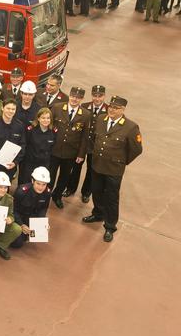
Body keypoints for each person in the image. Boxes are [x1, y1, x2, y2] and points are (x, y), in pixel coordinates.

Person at [82, 96, 143, 242]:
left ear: (122, 110)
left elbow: (136, 149)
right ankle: (98, 214)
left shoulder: (130, 127)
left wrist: (121, 161)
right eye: (111, 106)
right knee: (96, 191)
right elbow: (93, 139)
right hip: (97, 165)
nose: (112, 110)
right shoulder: (101, 119)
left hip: (114, 169)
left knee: (111, 197)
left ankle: (110, 226)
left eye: (116, 108)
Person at [49, 87, 91, 209]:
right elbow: (50, 126)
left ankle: (57, 196)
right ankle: (46, 194)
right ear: (70, 96)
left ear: (82, 99)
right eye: (73, 96)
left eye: (78, 97)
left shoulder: (85, 114)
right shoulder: (57, 107)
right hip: (54, 149)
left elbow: (85, 136)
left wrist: (81, 154)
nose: (74, 99)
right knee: (50, 175)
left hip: (71, 153)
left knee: (65, 176)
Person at [65, 85, 107, 201]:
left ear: (104, 96)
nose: (97, 99)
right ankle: (70, 188)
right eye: (95, 95)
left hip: (95, 146)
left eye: (100, 96)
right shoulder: (84, 106)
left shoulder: (108, 110)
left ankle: (86, 192)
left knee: (91, 170)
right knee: (75, 167)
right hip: (80, 144)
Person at [0, 99, 26, 185]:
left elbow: (22, 145)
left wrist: (15, 163)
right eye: (8, 108)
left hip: (10, 166)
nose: (10, 111)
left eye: (13, 109)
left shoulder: (20, 126)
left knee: (5, 190)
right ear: (2, 108)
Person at [10, 167, 51, 249]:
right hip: (18, 218)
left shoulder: (47, 193)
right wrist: (21, 225)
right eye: (38, 183)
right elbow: (13, 210)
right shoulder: (21, 191)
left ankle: (25, 235)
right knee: (17, 244)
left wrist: (42, 223)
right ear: (32, 181)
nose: (41, 187)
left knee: (36, 234)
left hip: (32, 218)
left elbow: (43, 209)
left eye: (44, 184)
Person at [19, 107, 56, 185]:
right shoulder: (31, 130)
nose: (46, 120)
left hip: (44, 163)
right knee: (26, 183)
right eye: (43, 118)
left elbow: (52, 148)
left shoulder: (53, 132)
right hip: (30, 163)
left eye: (48, 118)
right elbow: (25, 145)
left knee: (40, 184)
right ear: (38, 118)